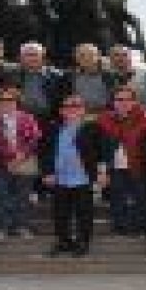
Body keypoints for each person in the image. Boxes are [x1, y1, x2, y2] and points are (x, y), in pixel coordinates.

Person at [40, 95, 109, 257]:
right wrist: (47, 172)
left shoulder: (93, 127)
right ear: (62, 111)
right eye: (68, 106)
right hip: (60, 178)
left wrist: (102, 172)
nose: (72, 109)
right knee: (60, 213)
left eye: (76, 106)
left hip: (83, 178)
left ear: (83, 110)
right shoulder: (52, 128)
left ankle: (83, 242)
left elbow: (103, 151)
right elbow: (44, 152)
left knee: (84, 213)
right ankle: (63, 241)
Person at [0, 86, 43, 241]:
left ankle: (22, 226)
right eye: (3, 100)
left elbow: (35, 138)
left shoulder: (28, 117)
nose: (7, 103)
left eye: (11, 100)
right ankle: (1, 228)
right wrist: (9, 155)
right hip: (0, 163)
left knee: (23, 196)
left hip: (24, 162)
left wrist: (21, 155)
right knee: (0, 196)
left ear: (17, 102)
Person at [97, 85, 146, 236]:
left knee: (142, 197)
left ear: (134, 102)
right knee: (117, 197)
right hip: (115, 165)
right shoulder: (104, 118)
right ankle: (120, 228)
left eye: (127, 99)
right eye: (119, 99)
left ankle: (143, 228)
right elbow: (99, 144)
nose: (123, 102)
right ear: (113, 102)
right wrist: (101, 169)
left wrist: (125, 126)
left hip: (138, 164)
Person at [2, 41, 63, 132]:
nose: (32, 58)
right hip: (20, 120)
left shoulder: (56, 76)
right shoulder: (11, 75)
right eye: (28, 55)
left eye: (35, 55)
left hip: (49, 120)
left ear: (42, 56)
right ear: (21, 58)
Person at [58, 43, 116, 116]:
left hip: (104, 116)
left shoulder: (110, 76)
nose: (86, 58)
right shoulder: (70, 77)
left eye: (90, 55)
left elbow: (116, 102)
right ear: (76, 58)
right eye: (82, 55)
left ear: (98, 55)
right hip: (77, 116)